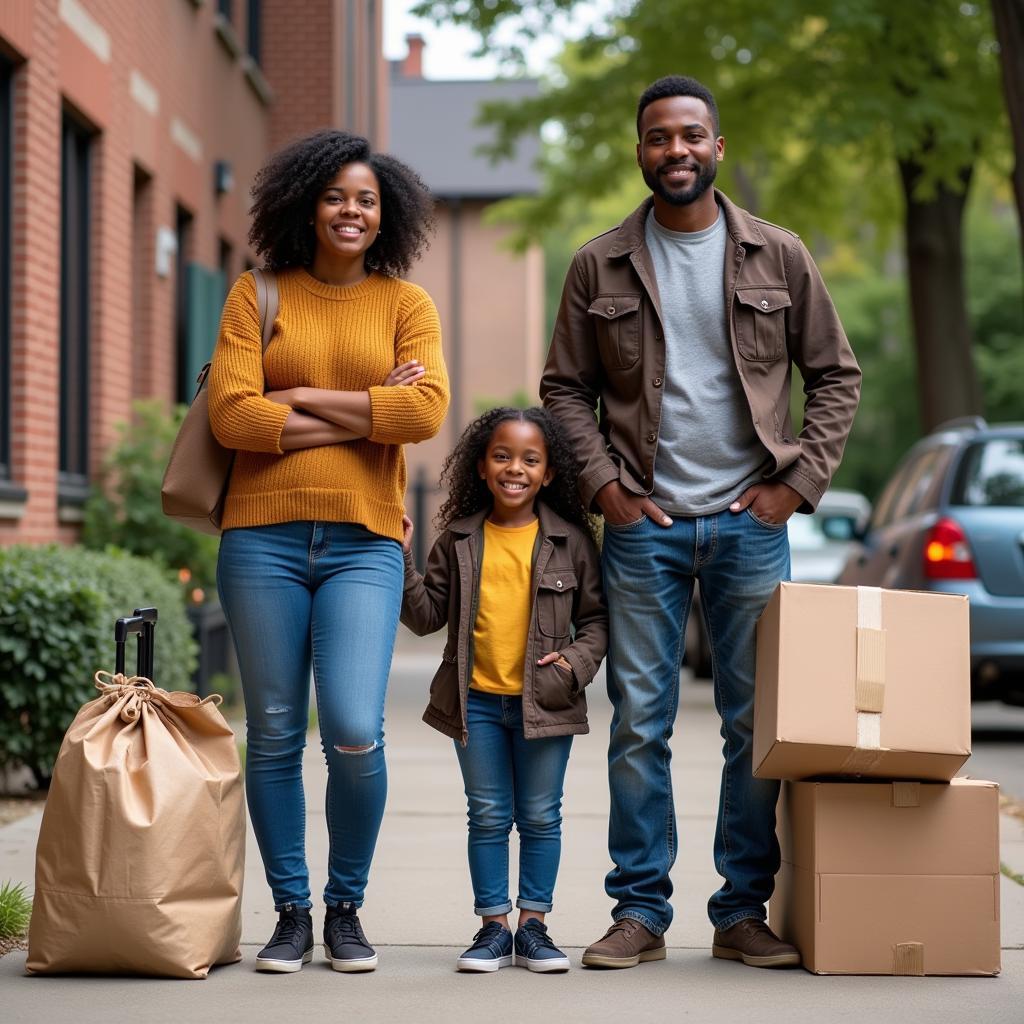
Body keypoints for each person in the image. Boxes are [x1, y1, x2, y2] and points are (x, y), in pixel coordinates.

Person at [541, 76, 861, 970]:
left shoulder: (778, 254)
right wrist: (605, 487)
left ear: (716, 147)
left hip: (751, 521)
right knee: (639, 718)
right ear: (639, 151)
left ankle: (740, 910)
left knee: (752, 721)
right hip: (642, 522)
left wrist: (795, 488)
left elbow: (836, 375)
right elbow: (563, 388)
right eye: (657, 138)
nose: (674, 151)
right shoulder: (598, 263)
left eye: (690, 136)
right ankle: (639, 911)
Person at [208, 130, 449, 974]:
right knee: (274, 732)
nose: (352, 210)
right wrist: (368, 403)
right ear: (307, 204)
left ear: (387, 217)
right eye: (337, 196)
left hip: (364, 543)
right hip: (261, 539)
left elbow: (423, 417)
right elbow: (231, 417)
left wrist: (297, 395)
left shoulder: (405, 305)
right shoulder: (258, 292)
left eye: (368, 200)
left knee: (351, 727)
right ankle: (290, 910)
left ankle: (346, 904)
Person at [400, 407, 608, 973]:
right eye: (502, 456)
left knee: (541, 815)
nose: (515, 468)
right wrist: (399, 555)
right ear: (482, 467)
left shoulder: (569, 542)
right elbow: (425, 617)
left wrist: (572, 664)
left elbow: (597, 621)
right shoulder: (460, 538)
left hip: (546, 700)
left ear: (549, 474)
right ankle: (493, 929)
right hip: (476, 704)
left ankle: (534, 928)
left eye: (530, 459)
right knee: (488, 814)